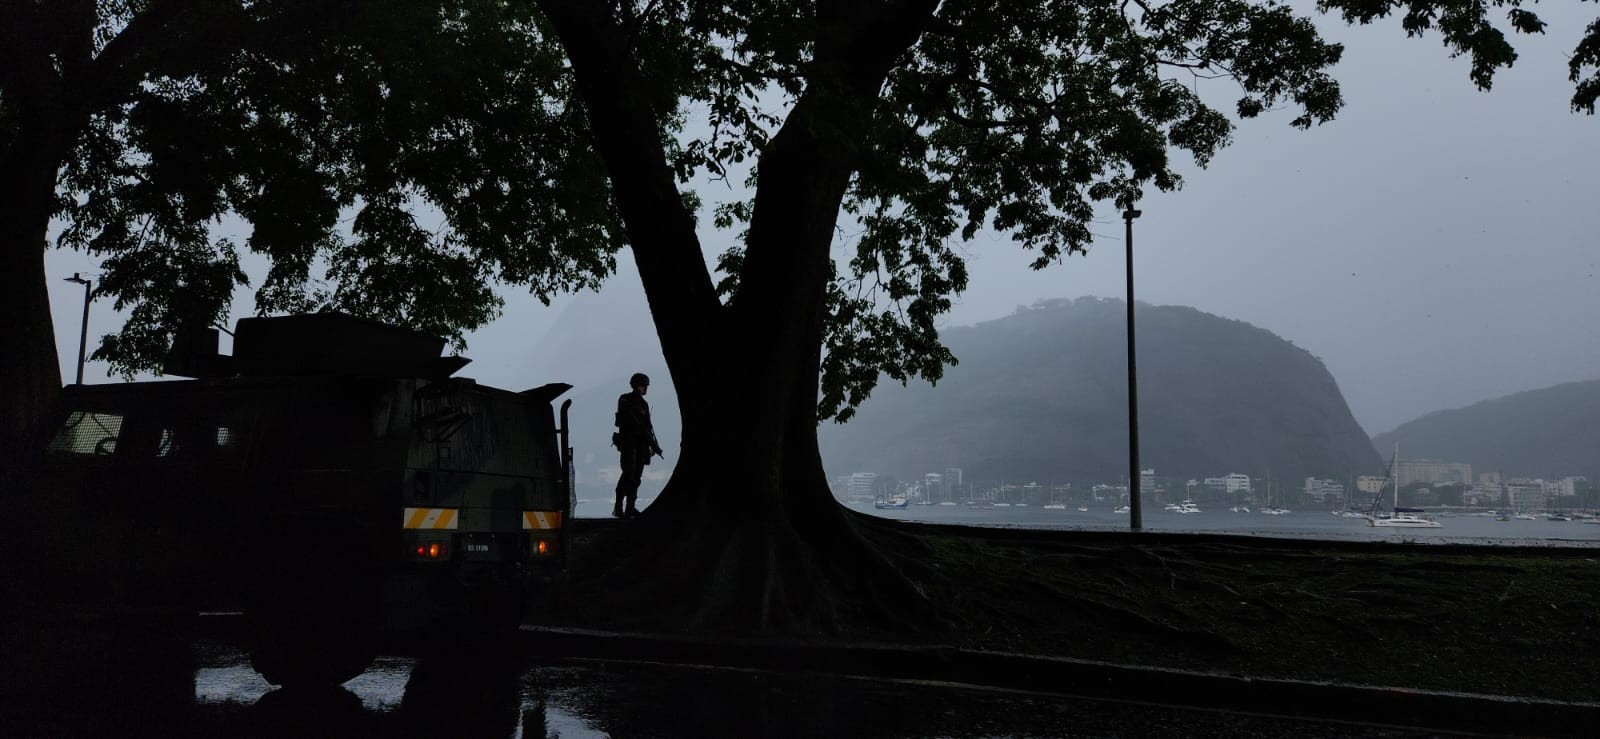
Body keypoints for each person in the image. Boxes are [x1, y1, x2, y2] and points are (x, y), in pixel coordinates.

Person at [612, 372, 663, 518]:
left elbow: (647, 427)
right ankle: (618, 507)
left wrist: (653, 445)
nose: (645, 388)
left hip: (641, 446)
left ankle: (630, 507)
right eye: (643, 385)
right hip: (629, 443)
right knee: (628, 475)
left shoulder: (643, 404)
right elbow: (636, 424)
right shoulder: (625, 400)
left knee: (636, 477)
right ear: (637, 385)